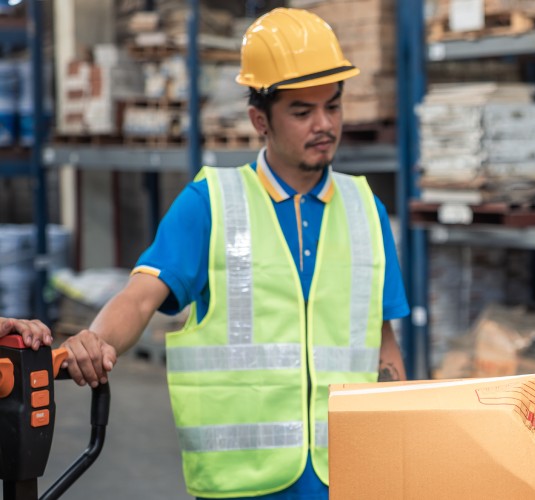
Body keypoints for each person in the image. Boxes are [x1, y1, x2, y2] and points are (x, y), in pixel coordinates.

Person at [56, 8, 409, 500]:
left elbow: (381, 341)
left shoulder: (364, 207)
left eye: (333, 106)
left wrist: (400, 451)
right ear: (259, 119)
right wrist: (92, 341)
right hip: (243, 486)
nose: (324, 124)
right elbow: (139, 298)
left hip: (344, 478)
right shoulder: (211, 203)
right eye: (302, 112)